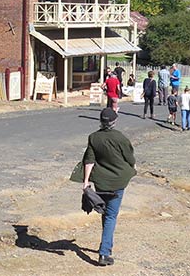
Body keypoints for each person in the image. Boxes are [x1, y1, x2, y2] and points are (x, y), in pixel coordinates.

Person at [82, 108, 136, 267]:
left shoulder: (93, 138)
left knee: (106, 215)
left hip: (101, 182)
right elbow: (130, 158)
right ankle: (104, 253)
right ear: (114, 121)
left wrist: (86, 181)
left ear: (101, 121)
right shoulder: (120, 138)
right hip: (118, 182)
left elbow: (89, 160)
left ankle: (108, 246)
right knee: (111, 215)